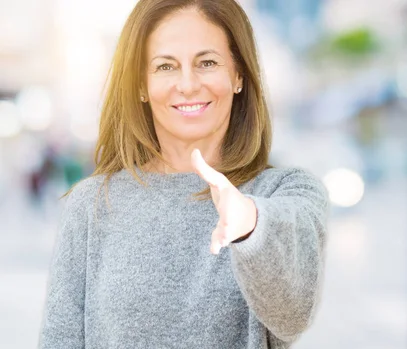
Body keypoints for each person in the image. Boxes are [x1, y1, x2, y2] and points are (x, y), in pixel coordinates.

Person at [38, 1, 329, 348]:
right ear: (141, 86)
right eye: (165, 66)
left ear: (238, 75)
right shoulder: (92, 204)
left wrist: (249, 222)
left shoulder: (285, 191)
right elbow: (60, 339)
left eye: (207, 63)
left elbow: (293, 316)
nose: (188, 84)